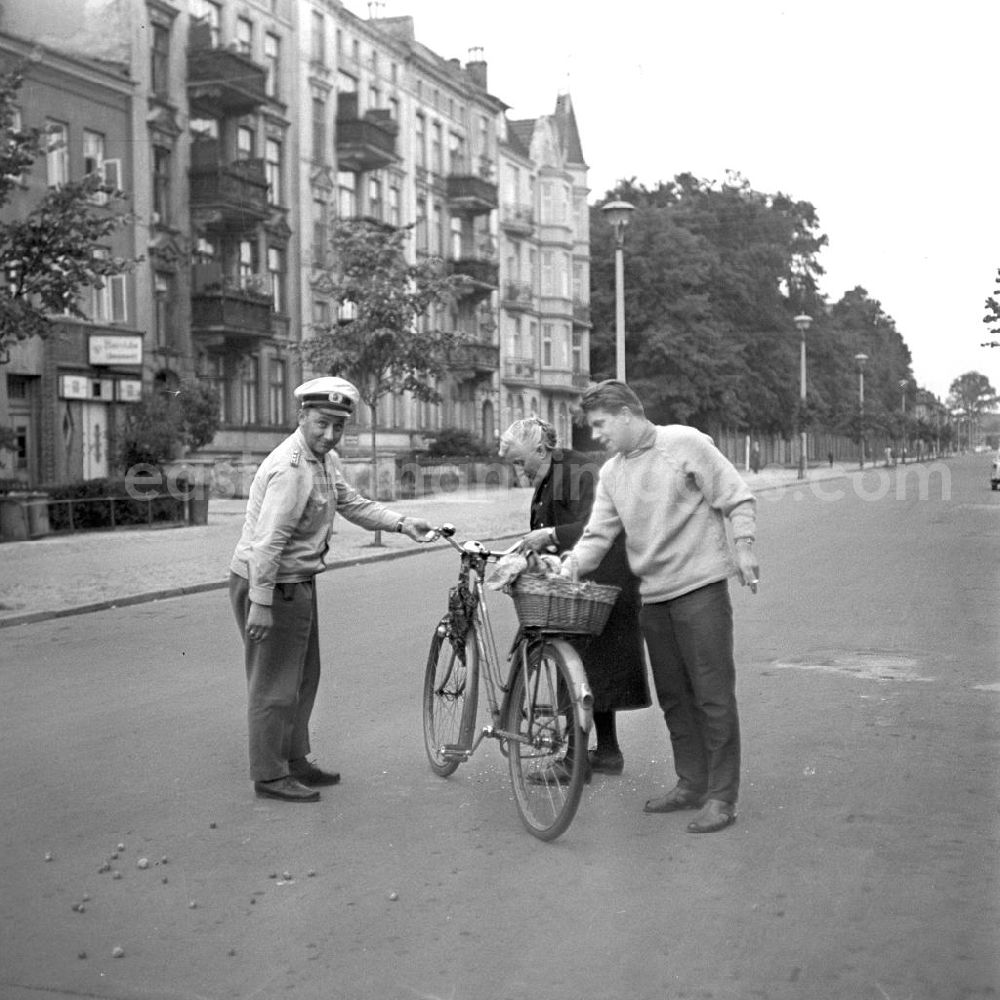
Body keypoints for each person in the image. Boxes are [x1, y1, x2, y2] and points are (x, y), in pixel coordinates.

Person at [561, 380, 759, 834]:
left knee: (712, 695)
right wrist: (569, 567)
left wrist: (745, 546)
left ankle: (722, 797)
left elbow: (736, 496)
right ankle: (691, 782)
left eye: (601, 424)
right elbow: (597, 535)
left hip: (700, 590)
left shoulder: (684, 443)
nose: (597, 435)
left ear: (628, 414)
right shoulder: (612, 472)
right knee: (674, 698)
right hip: (654, 598)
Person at [229, 376, 436, 803]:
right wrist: (261, 604)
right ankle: (269, 775)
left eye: (338, 426)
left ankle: (293, 759)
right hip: (272, 583)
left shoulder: (323, 460)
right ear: (302, 416)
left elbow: (352, 503)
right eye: (321, 423)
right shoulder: (290, 469)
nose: (329, 434)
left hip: (296, 582)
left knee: (303, 677)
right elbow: (267, 544)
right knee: (275, 685)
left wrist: (401, 522)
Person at [498, 418, 650, 778]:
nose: (518, 471)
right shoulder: (557, 472)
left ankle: (573, 761)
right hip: (591, 584)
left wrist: (550, 534)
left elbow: (597, 526)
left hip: (601, 583)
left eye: (521, 462)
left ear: (540, 449)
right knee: (595, 672)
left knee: (576, 668)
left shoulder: (577, 472)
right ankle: (608, 753)